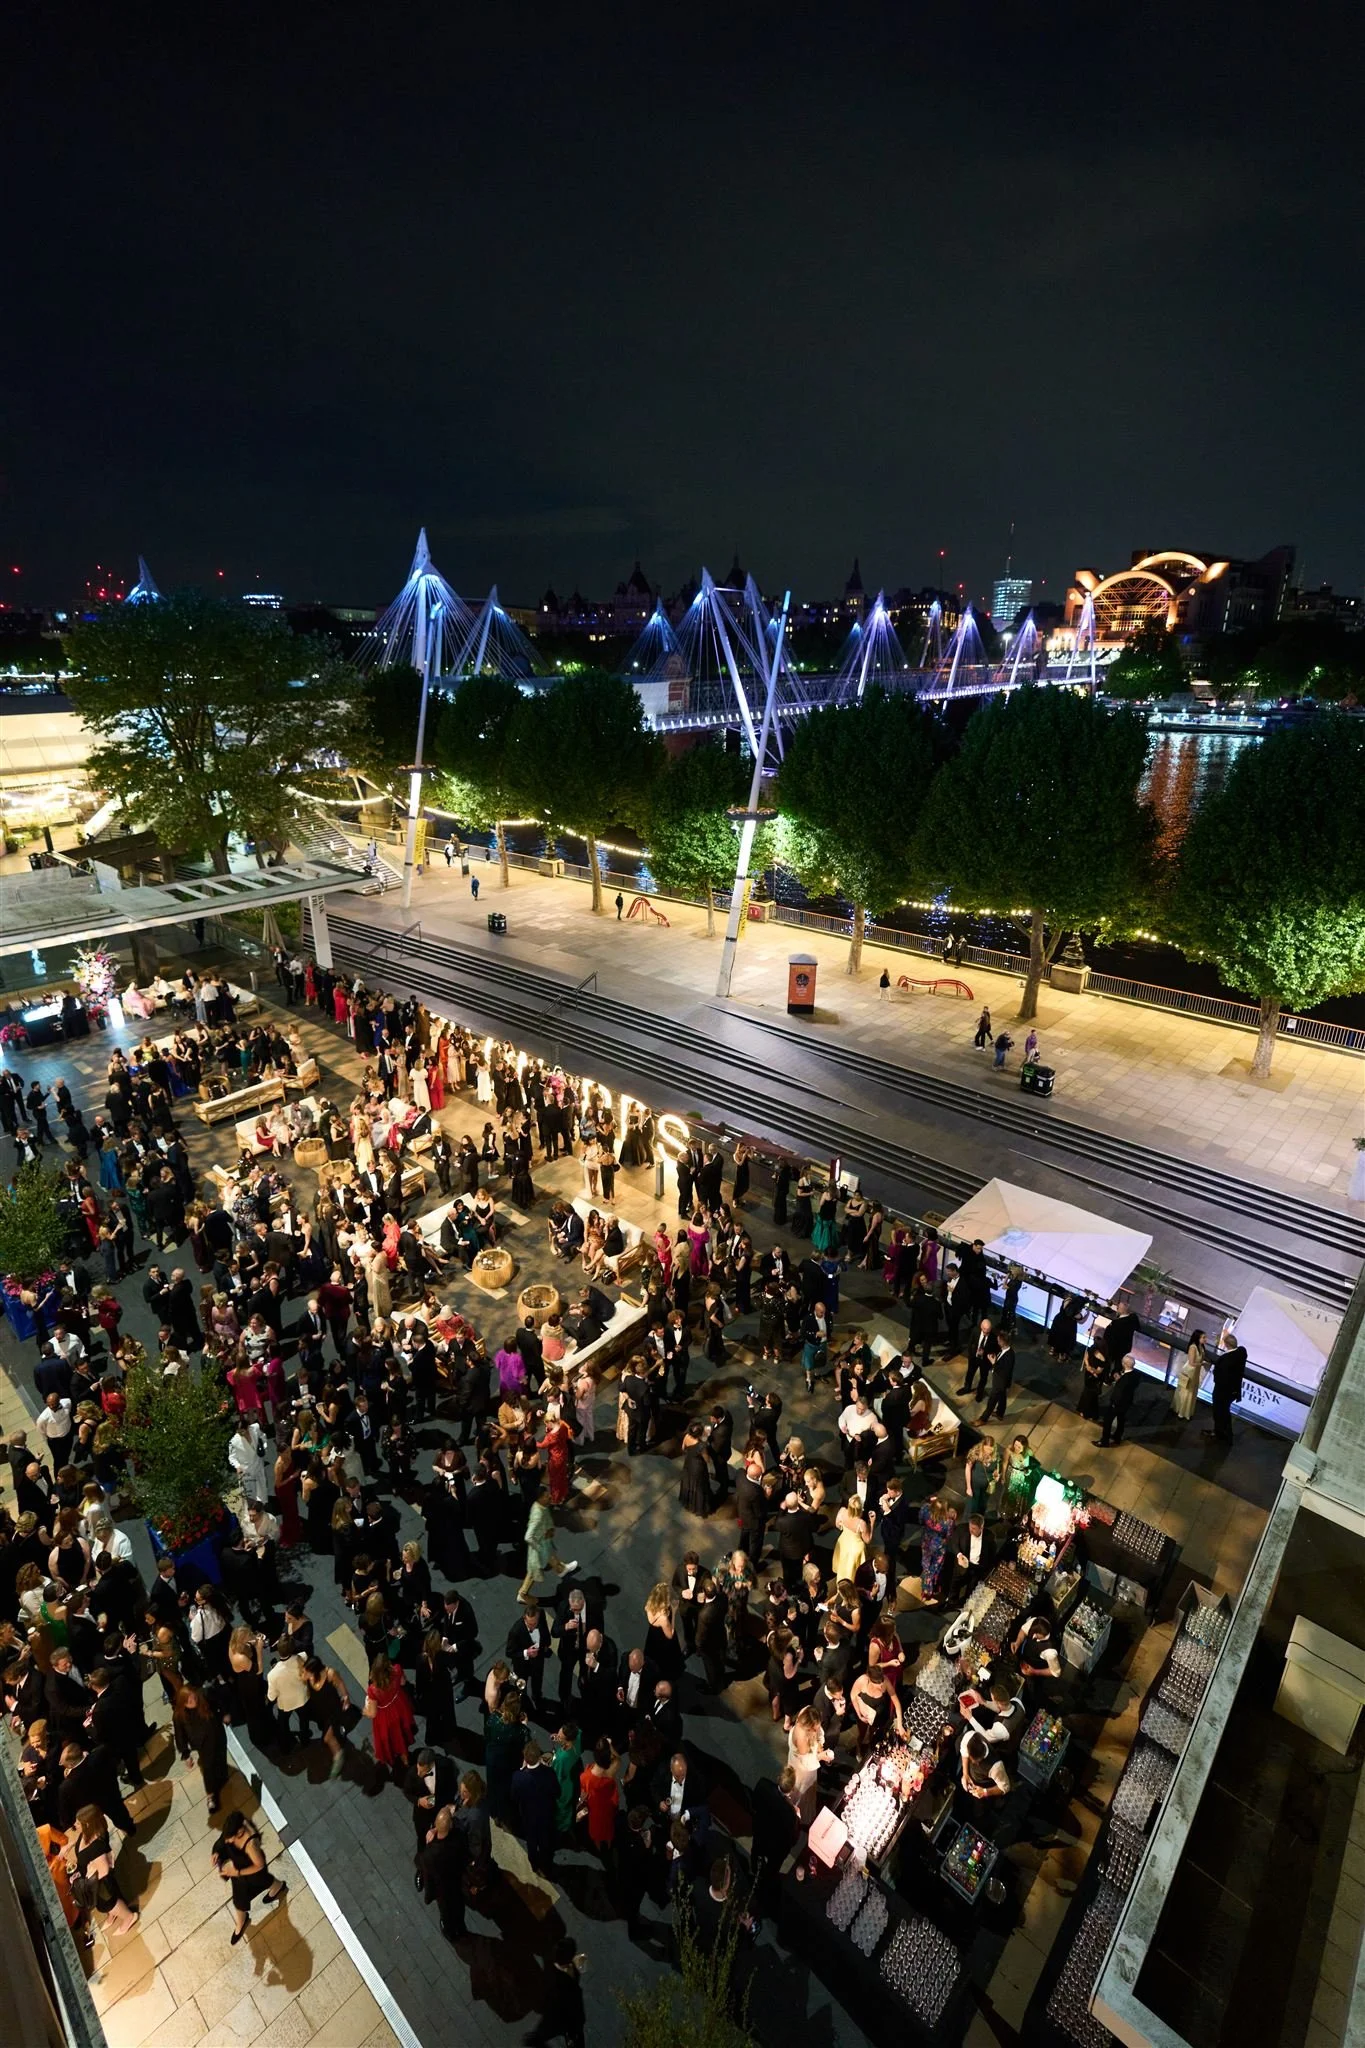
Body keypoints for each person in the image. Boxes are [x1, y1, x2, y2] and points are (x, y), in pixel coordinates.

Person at [212, 1809, 287, 1943]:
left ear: (240, 1833)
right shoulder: (233, 1827)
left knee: (256, 1885)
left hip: (248, 1871)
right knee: (257, 1886)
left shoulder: (250, 1844)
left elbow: (259, 1865)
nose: (227, 1841)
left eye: (231, 1838)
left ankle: (241, 1921)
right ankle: (279, 1887)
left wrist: (237, 1872)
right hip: (240, 1870)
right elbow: (222, 1841)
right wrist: (216, 1852)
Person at [524, 1935, 587, 2048]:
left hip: (561, 2017)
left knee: (533, 2039)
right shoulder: (569, 1971)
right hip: (571, 2017)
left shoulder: (560, 1978)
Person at [365, 1653, 416, 1771]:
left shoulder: (373, 1689)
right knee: (401, 1731)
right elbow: (403, 1683)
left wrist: (364, 1711)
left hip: (384, 1715)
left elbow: (372, 1713)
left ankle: (397, 1755)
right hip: (399, 1705)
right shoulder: (397, 1669)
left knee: (390, 1737)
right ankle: (405, 1757)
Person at [1206, 1330, 1246, 1445]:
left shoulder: (1227, 1359)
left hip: (1222, 1391)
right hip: (1231, 1391)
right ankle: (1224, 1433)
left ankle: (1221, 1434)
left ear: (1227, 1344)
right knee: (1225, 1412)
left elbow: (1221, 1375)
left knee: (1219, 1412)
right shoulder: (1240, 1353)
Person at [1099, 1352, 1138, 1446]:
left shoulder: (1124, 1380)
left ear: (1125, 1364)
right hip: (1126, 1403)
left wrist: (1113, 1403)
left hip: (1117, 1404)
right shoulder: (1135, 1375)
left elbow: (1119, 1393)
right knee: (1121, 1421)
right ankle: (1117, 1437)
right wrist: (1120, 1379)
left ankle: (1104, 1441)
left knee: (1107, 1421)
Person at [1173, 1328, 1206, 1423]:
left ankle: (1186, 1411)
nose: (1205, 1339)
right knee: (1187, 1391)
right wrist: (1202, 1364)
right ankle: (1182, 1412)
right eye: (1203, 1337)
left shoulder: (1201, 1347)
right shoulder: (1193, 1347)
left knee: (1192, 1391)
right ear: (1198, 1338)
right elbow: (1191, 1363)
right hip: (1190, 1371)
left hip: (1195, 1371)